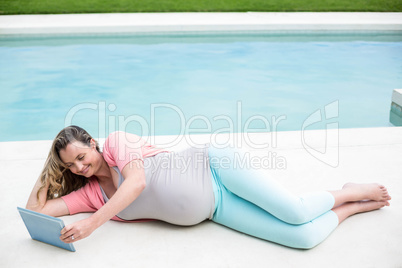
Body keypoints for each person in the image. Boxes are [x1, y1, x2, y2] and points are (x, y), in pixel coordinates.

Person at [26, 125, 391, 249]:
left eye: (80, 156)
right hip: (216, 209)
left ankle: (347, 190)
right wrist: (48, 171)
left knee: (295, 211)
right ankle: (355, 206)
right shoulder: (91, 193)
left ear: (92, 142)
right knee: (303, 239)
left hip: (215, 167)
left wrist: (92, 224)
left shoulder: (119, 143)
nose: (80, 166)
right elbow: (37, 213)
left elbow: (135, 183)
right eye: (70, 165)